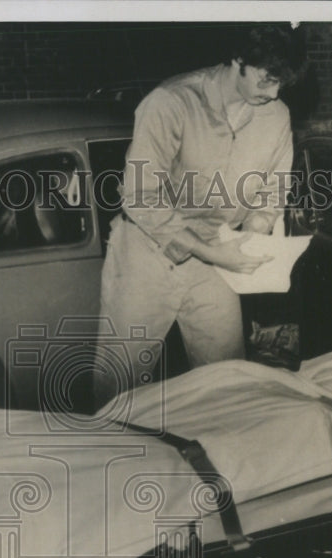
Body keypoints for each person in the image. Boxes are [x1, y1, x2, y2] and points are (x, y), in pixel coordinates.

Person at [93, 24, 306, 408]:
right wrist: (214, 253)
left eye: (281, 85)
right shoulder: (170, 103)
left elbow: (273, 190)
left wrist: (254, 232)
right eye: (267, 80)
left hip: (215, 259)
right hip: (145, 254)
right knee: (118, 388)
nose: (273, 93)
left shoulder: (276, 116)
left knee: (228, 384)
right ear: (239, 60)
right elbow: (140, 197)